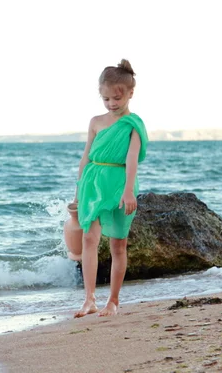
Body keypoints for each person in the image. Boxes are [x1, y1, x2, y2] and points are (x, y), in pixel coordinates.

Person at [72, 59, 148, 318]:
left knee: (118, 245)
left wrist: (128, 191)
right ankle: (89, 299)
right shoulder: (95, 121)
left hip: (119, 183)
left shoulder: (132, 124)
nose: (111, 104)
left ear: (130, 94)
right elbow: (86, 157)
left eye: (117, 98)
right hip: (93, 182)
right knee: (88, 238)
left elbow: (131, 160)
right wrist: (77, 191)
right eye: (106, 99)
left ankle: (113, 301)